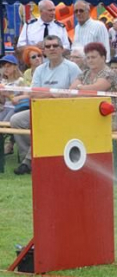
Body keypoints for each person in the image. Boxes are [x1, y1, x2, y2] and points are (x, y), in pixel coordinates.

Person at [10, 35, 81, 175]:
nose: (52, 48)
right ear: (45, 51)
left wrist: (49, 94)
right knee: (16, 120)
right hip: (41, 109)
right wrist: (54, 94)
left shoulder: (72, 68)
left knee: (45, 122)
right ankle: (30, 156)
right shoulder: (40, 70)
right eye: (48, 46)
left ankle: (28, 162)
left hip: (64, 111)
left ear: (61, 49)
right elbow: (33, 93)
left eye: (55, 46)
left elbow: (72, 93)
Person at [70, 42, 117, 132]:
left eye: (93, 57)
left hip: (108, 117)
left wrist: (79, 87)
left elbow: (95, 90)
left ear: (103, 58)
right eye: (88, 57)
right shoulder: (85, 73)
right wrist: (82, 88)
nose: (90, 60)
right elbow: (71, 90)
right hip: (86, 116)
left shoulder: (109, 73)